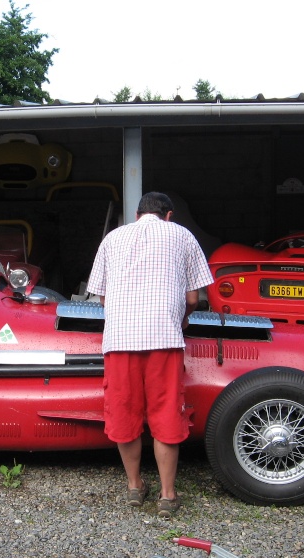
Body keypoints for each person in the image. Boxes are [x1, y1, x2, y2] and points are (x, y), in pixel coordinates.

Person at [86, 191, 213, 517]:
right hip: (164, 338)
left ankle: (134, 487)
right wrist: (181, 318)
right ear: (168, 215)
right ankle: (167, 495)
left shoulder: (112, 239)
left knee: (124, 411)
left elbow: (100, 298)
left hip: (120, 341)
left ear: (138, 214)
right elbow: (194, 298)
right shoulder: (182, 235)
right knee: (166, 412)